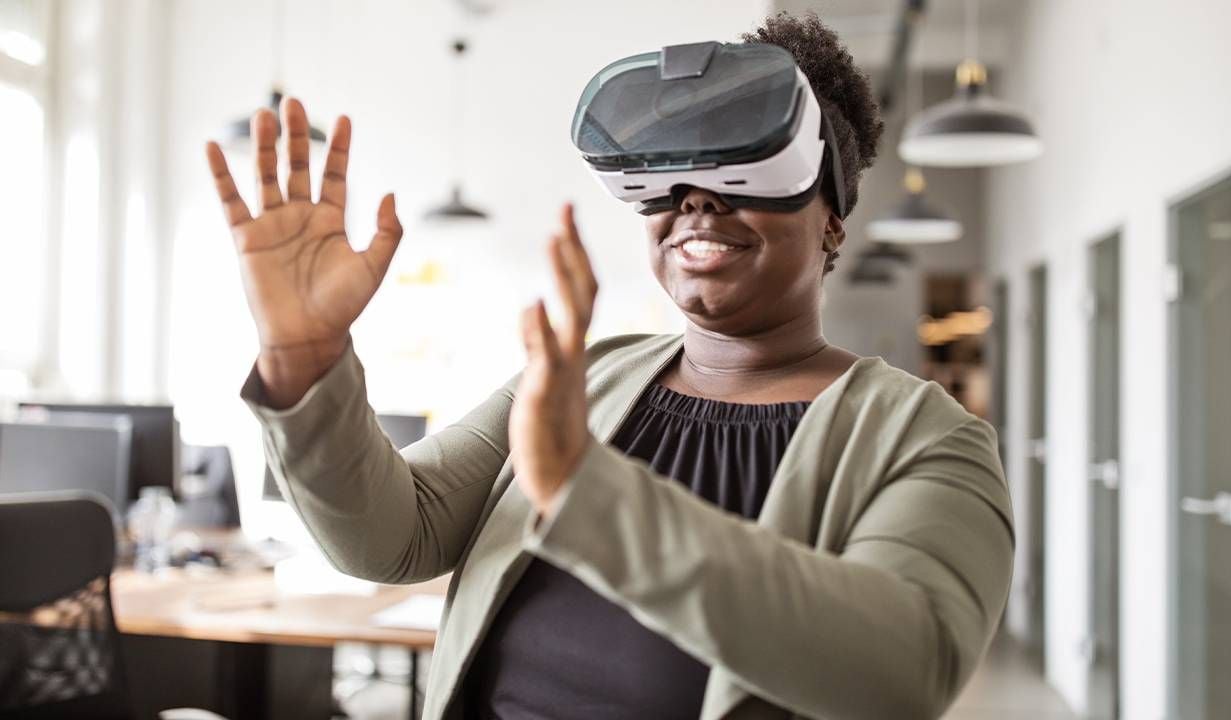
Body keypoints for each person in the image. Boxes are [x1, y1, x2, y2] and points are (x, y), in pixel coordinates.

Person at [205, 12, 1013, 720]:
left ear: (831, 220)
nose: (697, 199)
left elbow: (907, 667)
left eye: (745, 170)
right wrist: (305, 361)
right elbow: (393, 537)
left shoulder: (925, 439)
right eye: (672, 178)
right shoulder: (584, 382)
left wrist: (588, 492)